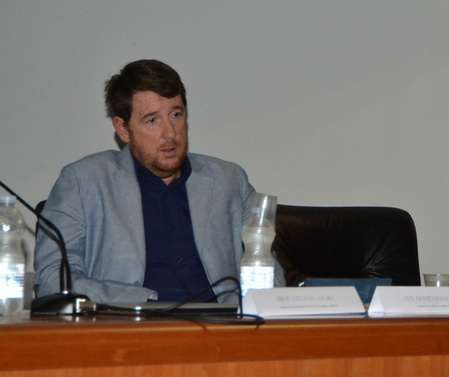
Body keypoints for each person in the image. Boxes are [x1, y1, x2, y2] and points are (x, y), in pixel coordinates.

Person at [34, 59, 284, 303]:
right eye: (152, 120)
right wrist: (140, 302)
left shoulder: (228, 180)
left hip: (219, 323)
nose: (171, 133)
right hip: (132, 323)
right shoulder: (83, 182)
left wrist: (248, 309)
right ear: (123, 129)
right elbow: (52, 278)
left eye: (176, 114)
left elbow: (268, 269)